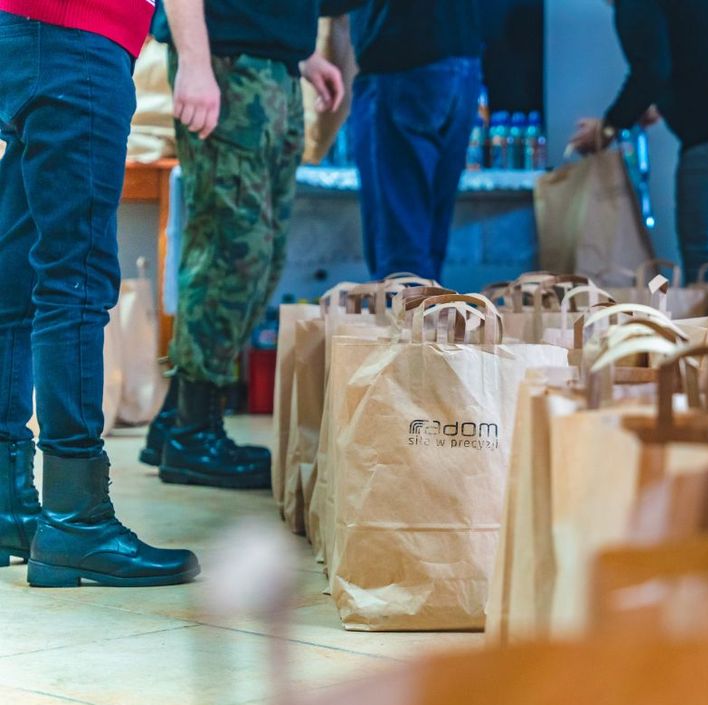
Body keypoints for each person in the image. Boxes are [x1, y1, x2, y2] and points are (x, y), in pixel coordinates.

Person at [0, 0, 199, 586]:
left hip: (25, 33)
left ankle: (9, 502)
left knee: (19, 274)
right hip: (77, 39)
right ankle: (76, 517)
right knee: (76, 279)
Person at [144, 0, 345, 490]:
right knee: (230, 252)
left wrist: (297, 55)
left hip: (265, 64)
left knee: (260, 256)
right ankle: (194, 434)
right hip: (226, 62)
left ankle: (176, 422)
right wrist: (194, 62)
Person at [570, 0, 708, 282]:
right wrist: (657, 106)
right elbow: (702, 46)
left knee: (706, 255)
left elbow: (650, 72)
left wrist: (608, 127)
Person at [341, 0, 484, 282]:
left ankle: (409, 322)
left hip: (401, 59)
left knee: (400, 248)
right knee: (429, 241)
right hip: (461, 62)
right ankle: (428, 321)